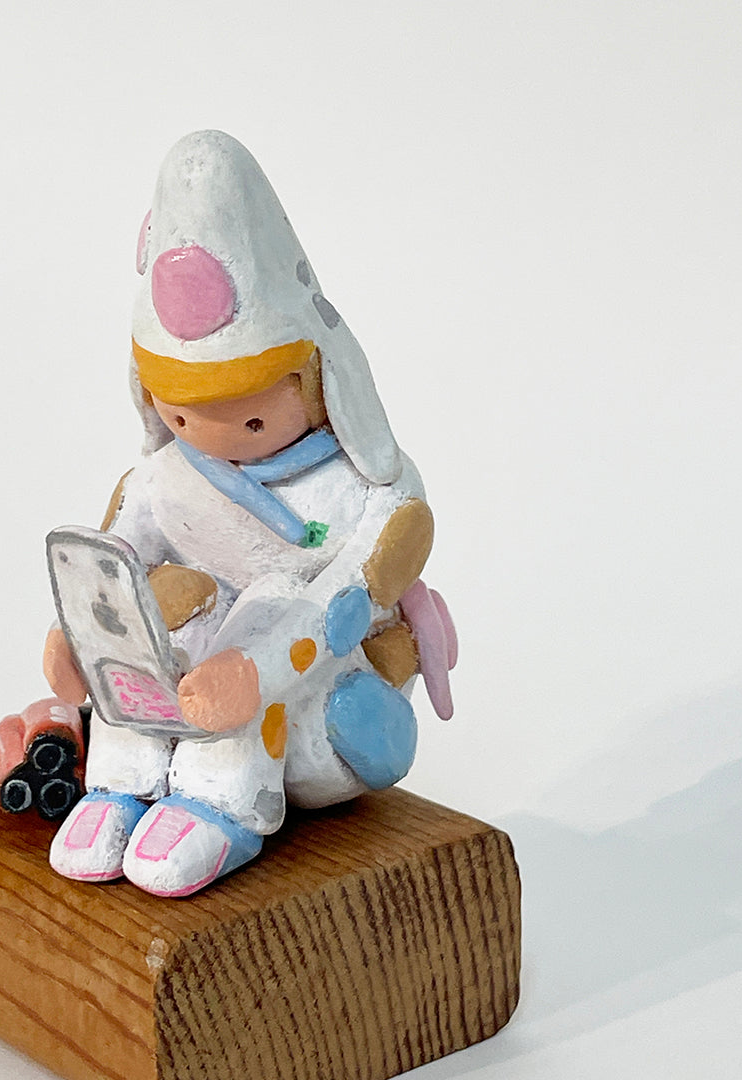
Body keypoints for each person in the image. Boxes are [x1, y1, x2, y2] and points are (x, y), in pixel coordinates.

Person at [44, 130, 456, 898]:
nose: (211, 432)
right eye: (184, 412)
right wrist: (81, 641)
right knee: (155, 617)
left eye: (250, 415)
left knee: (266, 604)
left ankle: (226, 802)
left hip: (323, 703)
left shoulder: (370, 498)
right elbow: (114, 564)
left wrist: (254, 670)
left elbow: (337, 607)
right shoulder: (164, 478)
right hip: (191, 685)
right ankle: (122, 784)